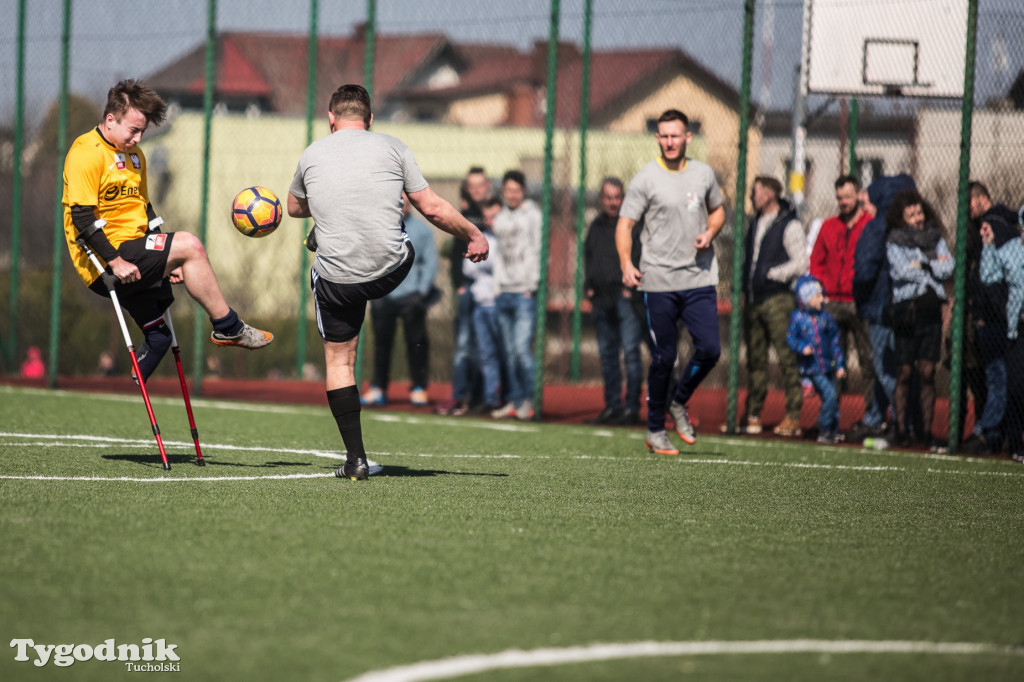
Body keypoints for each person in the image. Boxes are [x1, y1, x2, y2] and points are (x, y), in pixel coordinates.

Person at [287, 84, 488, 481]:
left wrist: (325, 205)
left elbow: (294, 207)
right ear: (370, 120)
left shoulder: (312, 153)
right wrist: (473, 235)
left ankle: (356, 459)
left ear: (331, 119)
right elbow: (430, 207)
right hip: (391, 269)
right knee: (400, 231)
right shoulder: (392, 146)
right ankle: (353, 235)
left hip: (337, 278)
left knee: (340, 361)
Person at [62, 79, 272, 386]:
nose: (138, 137)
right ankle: (228, 325)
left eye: (142, 131)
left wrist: (167, 259)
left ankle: (148, 356)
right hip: (105, 258)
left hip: (134, 247)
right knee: (191, 244)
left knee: (160, 333)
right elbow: (80, 216)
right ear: (110, 120)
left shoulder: (136, 157)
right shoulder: (86, 153)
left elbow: (144, 208)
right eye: (133, 130)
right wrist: (116, 262)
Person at [616, 108, 725, 455]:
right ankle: (655, 430)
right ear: (657, 138)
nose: (669, 141)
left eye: (675, 135)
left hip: (698, 278)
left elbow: (718, 209)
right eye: (663, 135)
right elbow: (625, 224)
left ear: (688, 137)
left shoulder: (703, 173)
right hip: (658, 279)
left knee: (709, 349)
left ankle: (678, 402)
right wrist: (625, 263)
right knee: (664, 357)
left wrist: (710, 231)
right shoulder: (646, 178)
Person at [810, 174, 880, 442]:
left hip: (861, 302)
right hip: (833, 303)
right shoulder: (828, 226)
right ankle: (829, 419)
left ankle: (873, 417)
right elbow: (816, 261)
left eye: (848, 196)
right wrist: (821, 291)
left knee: (868, 361)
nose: (843, 202)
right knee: (831, 362)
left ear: (859, 196)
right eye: (839, 197)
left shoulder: (871, 225)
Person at [884, 190, 954, 447]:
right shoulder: (894, 240)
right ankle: (901, 429)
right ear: (901, 218)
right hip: (906, 311)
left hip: (930, 312)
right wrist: (931, 264)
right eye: (911, 215)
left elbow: (949, 266)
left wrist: (923, 265)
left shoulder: (934, 238)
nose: (918, 218)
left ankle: (925, 431)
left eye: (919, 212)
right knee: (904, 372)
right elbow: (900, 270)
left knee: (927, 371)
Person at [739, 175, 807, 437]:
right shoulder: (755, 222)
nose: (752, 197)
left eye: (755, 192)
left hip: (778, 300)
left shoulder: (789, 225)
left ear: (769, 194)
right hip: (754, 300)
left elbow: (800, 263)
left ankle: (793, 415)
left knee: (787, 358)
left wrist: (771, 274)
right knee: (756, 361)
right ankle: (753, 415)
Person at [853, 174, 916, 440]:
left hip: (880, 306)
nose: (863, 203)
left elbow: (865, 270)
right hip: (904, 307)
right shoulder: (909, 226)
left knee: (885, 367)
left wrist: (859, 292)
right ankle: (877, 417)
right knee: (889, 366)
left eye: (867, 198)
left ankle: (903, 424)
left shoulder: (877, 227)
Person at [362, 194, 440, 407]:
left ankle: (419, 388)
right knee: (381, 344)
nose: (401, 204)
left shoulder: (423, 231)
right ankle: (378, 388)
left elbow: (431, 262)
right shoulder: (378, 227)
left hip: (411, 297)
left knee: (417, 343)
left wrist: (421, 292)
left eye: (405, 200)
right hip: (383, 295)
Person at [958, 182, 1019, 454]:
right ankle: (999, 433)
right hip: (1001, 315)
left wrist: (989, 310)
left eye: (968, 202)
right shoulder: (1002, 224)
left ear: (981, 199)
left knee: (999, 377)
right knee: (997, 377)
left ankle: (990, 433)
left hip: (997, 317)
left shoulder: (993, 226)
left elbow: (996, 277)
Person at [584, 177, 644, 426]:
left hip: (625, 299)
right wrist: (588, 287)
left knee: (630, 353)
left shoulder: (631, 226)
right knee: (608, 356)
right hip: (601, 300)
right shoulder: (595, 226)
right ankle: (612, 406)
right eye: (608, 197)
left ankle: (631, 408)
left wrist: (631, 289)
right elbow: (588, 257)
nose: (613, 202)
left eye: (617, 197)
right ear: (602, 199)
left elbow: (640, 257)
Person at [438, 167, 492, 416]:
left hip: (492, 292)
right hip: (468, 291)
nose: (477, 190)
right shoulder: (464, 218)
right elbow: (457, 256)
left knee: (488, 347)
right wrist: (459, 285)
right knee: (463, 346)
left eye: (480, 185)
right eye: (472, 186)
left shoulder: (495, 214)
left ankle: (484, 398)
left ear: (487, 186)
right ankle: (459, 397)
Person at [490, 170, 542, 421]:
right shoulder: (499, 218)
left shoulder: (533, 216)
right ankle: (515, 400)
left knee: (522, 349)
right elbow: (498, 254)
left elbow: (539, 250)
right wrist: (497, 286)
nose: (512, 195)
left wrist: (531, 284)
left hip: (523, 292)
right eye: (508, 190)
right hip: (504, 292)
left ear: (523, 191)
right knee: (508, 353)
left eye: (516, 190)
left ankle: (530, 401)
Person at [979, 215, 1024, 462]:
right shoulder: (1012, 250)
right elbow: (988, 276)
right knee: (1016, 385)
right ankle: (1016, 442)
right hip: (1018, 327)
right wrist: (988, 246)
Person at [787, 275, 846, 444]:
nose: (823, 299)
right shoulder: (798, 317)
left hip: (828, 365)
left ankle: (833, 428)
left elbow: (835, 342)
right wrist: (801, 347)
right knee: (830, 395)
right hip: (812, 367)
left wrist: (840, 364)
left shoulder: (826, 318)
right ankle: (825, 429)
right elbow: (791, 338)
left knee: (832, 397)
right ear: (807, 299)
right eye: (818, 296)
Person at [462, 197, 505, 413]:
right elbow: (468, 268)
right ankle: (489, 399)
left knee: (507, 353)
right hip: (481, 304)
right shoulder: (482, 237)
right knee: (484, 354)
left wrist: (484, 262)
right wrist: (486, 264)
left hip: (500, 303)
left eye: (494, 216)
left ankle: (508, 397)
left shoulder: (505, 239)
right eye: (487, 216)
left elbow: (498, 265)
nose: (490, 221)